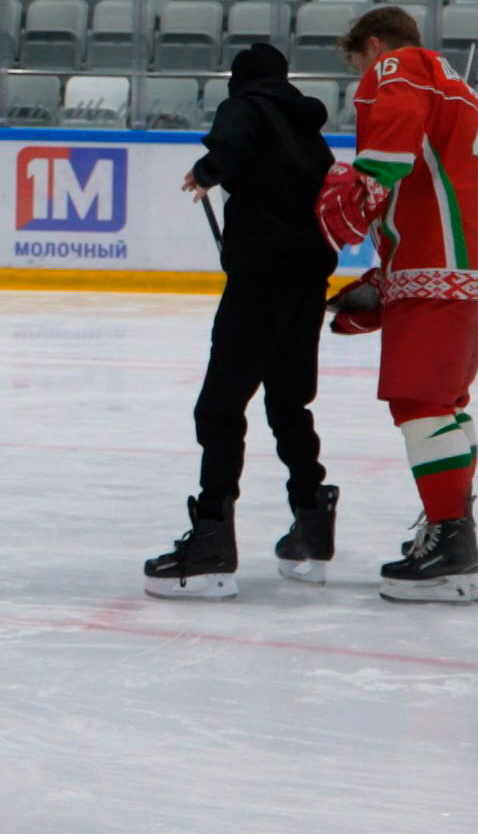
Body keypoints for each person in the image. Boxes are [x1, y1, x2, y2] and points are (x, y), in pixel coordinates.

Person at [318, 6, 478, 604]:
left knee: (421, 401)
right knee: (447, 402)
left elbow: (390, 158)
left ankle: (453, 546)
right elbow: (437, 183)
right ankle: (450, 525)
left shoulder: (400, 66)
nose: (363, 77)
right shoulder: (468, 94)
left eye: (359, 64)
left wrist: (350, 202)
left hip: (440, 265)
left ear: (373, 44)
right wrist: (385, 276)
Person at [144, 42, 340, 600]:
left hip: (260, 280)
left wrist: (207, 170)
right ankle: (312, 522)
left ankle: (211, 539)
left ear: (241, 80)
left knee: (221, 407)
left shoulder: (246, 106)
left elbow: (231, 141)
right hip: (307, 281)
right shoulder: (309, 128)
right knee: (288, 405)